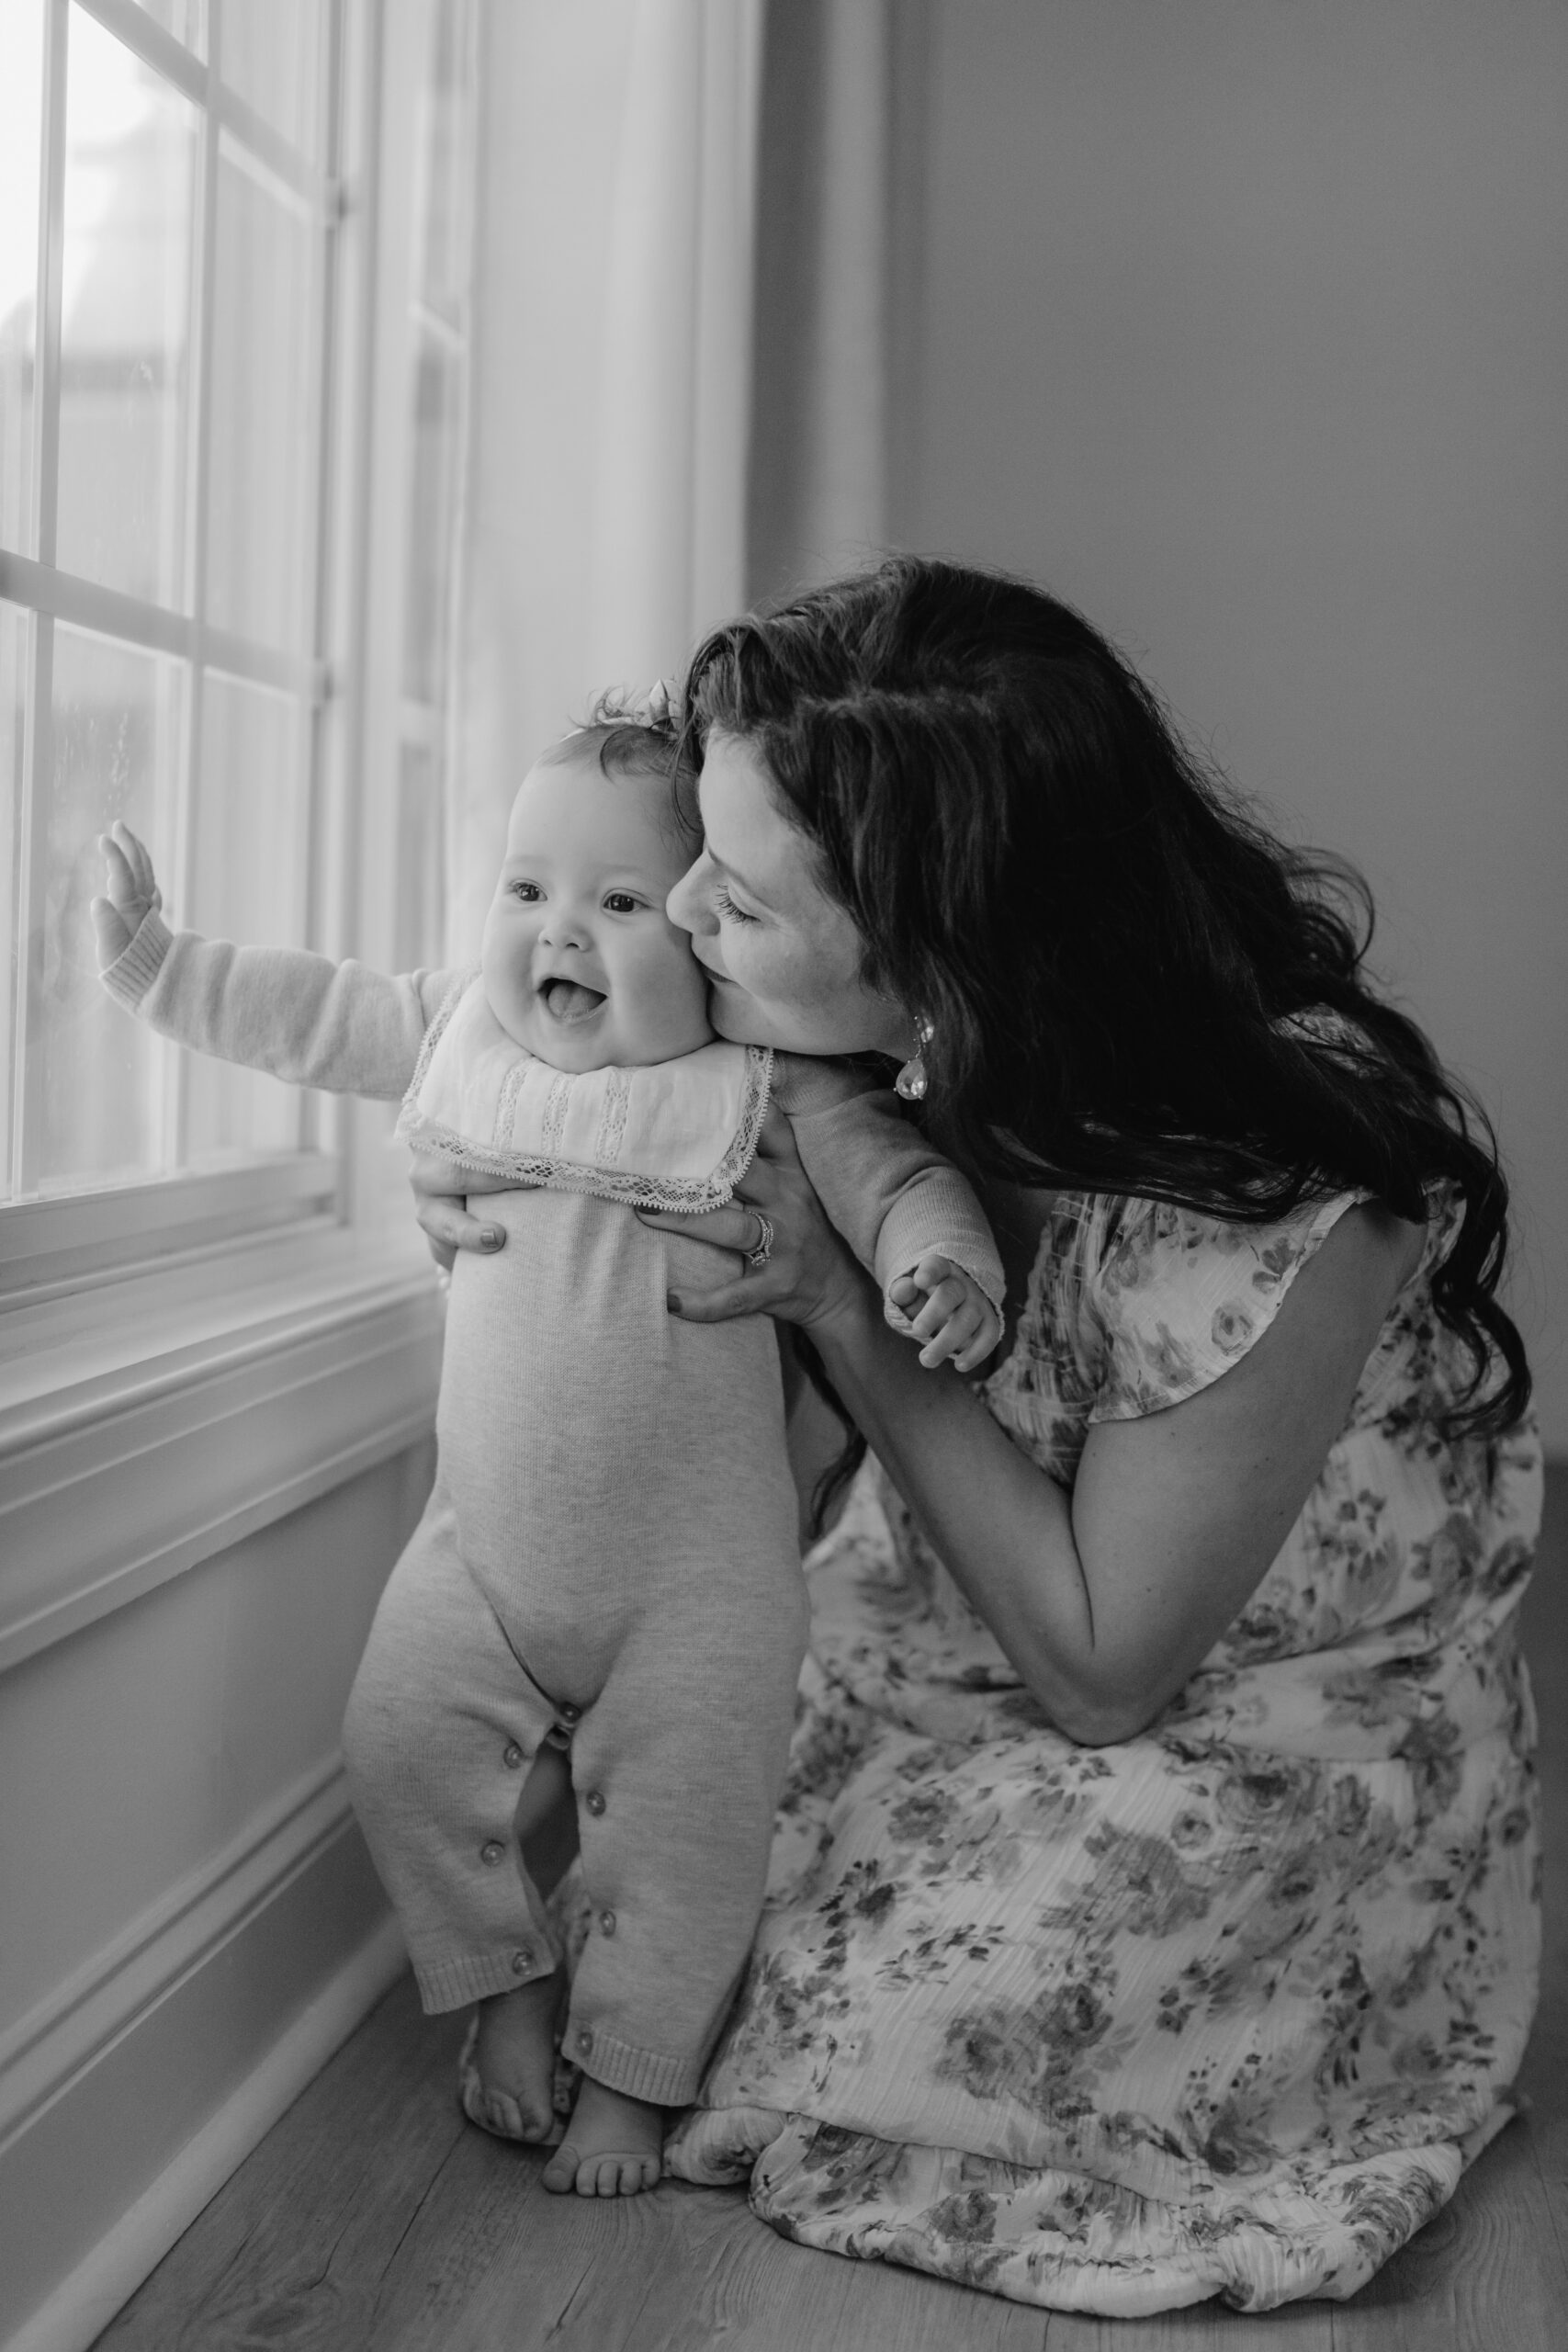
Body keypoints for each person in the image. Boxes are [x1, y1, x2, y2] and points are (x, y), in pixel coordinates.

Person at [413, 559, 1541, 2314]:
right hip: (934, 1611)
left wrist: (845, 1311)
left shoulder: (1275, 1182)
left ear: (944, 957)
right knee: (669, 1856)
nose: (686, 913)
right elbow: (513, 1038)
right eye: (693, 855)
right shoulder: (849, 1055)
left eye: (746, 899)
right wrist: (476, 1139)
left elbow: (1108, 1675)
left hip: (1240, 1702)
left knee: (974, 2003)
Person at [91, 694, 1003, 2201]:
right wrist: (156, 966)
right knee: (396, 1749)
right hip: (482, 1554)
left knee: (692, 1835)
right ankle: (507, 1980)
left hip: (697, 1584)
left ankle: (634, 2079)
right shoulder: (463, 1032)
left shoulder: (765, 1086)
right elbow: (318, 1011)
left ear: (708, 937)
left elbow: (900, 1179)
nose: (558, 933)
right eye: (528, 889)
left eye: (621, 901)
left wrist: (943, 1263)